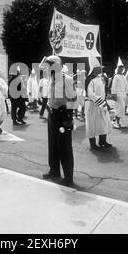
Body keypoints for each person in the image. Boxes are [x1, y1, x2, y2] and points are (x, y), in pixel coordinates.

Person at [42, 56, 77, 186]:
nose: (48, 66)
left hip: (63, 116)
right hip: (52, 114)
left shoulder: (66, 79)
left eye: (50, 64)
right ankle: (54, 170)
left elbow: (74, 98)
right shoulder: (50, 78)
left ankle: (68, 177)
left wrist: (69, 116)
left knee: (65, 147)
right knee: (53, 145)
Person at [85, 64, 112, 150]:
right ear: (94, 69)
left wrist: (105, 103)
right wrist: (101, 102)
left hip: (102, 104)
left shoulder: (101, 78)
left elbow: (103, 92)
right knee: (92, 124)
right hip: (93, 105)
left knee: (104, 122)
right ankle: (92, 144)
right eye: (99, 68)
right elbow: (90, 94)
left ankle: (102, 141)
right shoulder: (89, 79)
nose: (101, 69)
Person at [110, 57, 128, 129]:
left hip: (123, 95)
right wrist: (113, 95)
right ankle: (115, 122)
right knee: (120, 108)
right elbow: (113, 87)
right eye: (120, 68)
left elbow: (126, 86)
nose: (121, 69)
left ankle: (116, 121)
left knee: (121, 109)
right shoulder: (116, 77)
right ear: (117, 68)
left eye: (122, 68)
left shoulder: (123, 76)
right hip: (118, 95)